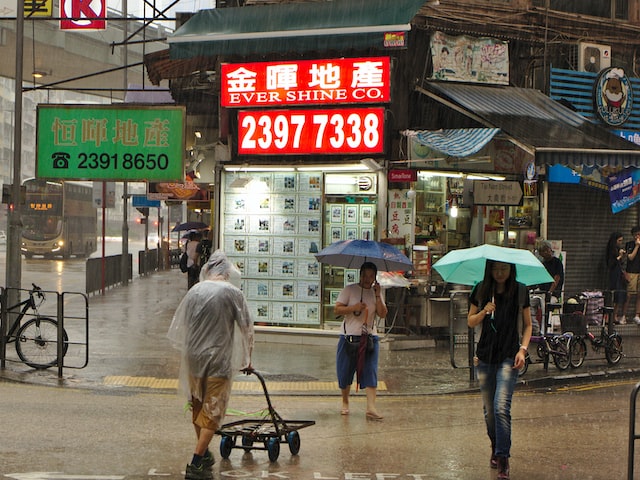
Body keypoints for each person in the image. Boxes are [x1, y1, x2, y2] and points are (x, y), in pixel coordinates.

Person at [168, 250, 254, 480]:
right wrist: (248, 358)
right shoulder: (233, 293)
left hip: (194, 358)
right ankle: (196, 461)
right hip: (219, 361)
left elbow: (183, 324)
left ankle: (204, 452)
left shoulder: (195, 291)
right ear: (226, 272)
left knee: (198, 407)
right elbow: (246, 328)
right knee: (214, 412)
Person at [468, 260, 532, 480]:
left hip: (508, 356)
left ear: (511, 269)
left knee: (501, 408)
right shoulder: (481, 289)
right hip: (485, 357)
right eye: (495, 269)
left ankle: (503, 459)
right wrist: (484, 311)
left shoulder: (520, 291)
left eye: (504, 268)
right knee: (489, 413)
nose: (500, 273)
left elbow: (528, 325)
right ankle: (496, 447)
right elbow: (470, 321)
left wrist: (522, 350)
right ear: (489, 270)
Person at [334, 261, 388, 421]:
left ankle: (371, 407)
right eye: (365, 275)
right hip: (348, 337)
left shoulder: (376, 292)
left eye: (371, 276)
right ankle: (345, 401)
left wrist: (378, 295)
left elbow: (383, 314)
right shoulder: (350, 289)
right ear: (360, 275)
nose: (368, 279)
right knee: (345, 372)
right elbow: (337, 309)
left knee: (370, 371)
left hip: (369, 338)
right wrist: (353, 308)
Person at [606, 231, 628, 324]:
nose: (620, 243)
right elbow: (611, 264)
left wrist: (622, 256)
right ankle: (610, 316)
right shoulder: (610, 250)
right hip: (613, 275)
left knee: (620, 295)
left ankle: (615, 315)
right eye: (619, 240)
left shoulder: (618, 249)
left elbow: (620, 263)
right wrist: (619, 256)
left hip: (619, 274)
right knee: (613, 295)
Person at [624, 226, 640, 325]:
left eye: (639, 234)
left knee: (639, 294)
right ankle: (623, 315)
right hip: (631, 272)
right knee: (629, 294)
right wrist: (637, 246)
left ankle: (637, 315)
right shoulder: (629, 244)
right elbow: (630, 257)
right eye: (636, 234)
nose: (637, 236)